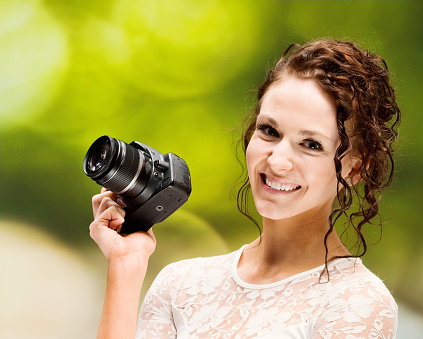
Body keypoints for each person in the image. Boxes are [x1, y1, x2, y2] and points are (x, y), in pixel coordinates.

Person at [89, 39, 401, 338]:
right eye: (269, 131)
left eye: (311, 144)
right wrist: (125, 266)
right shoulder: (180, 284)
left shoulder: (357, 304)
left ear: (356, 168)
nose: (277, 161)